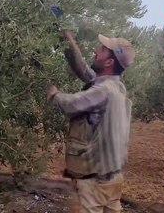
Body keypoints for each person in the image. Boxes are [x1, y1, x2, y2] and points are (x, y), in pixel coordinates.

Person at [46, 31, 135, 213]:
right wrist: (69, 40)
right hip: (113, 178)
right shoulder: (117, 87)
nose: (96, 50)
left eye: (102, 50)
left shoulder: (104, 91)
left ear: (109, 62)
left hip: (94, 181)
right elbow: (84, 71)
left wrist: (54, 95)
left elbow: (72, 104)